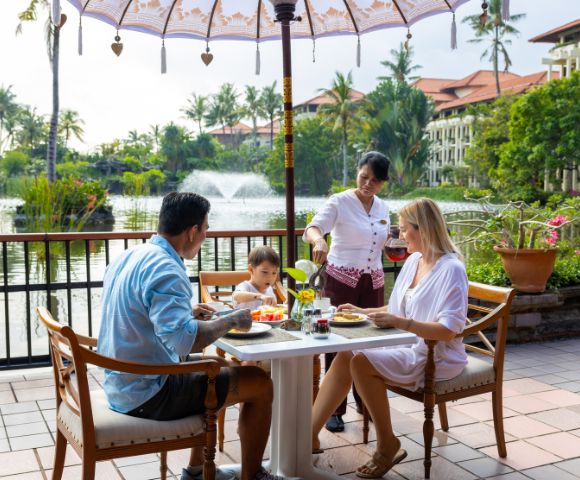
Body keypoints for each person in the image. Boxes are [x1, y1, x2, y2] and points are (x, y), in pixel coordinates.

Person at [98, 192, 296, 480]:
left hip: (121, 380)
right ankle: (252, 475)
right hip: (148, 392)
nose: (204, 236)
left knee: (220, 370)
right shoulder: (167, 268)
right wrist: (232, 319)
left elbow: (141, 310)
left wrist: (186, 312)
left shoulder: (133, 254)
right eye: (205, 230)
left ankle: (196, 471)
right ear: (192, 232)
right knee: (260, 384)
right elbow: (185, 341)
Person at [311, 198, 469, 478]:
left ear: (424, 230)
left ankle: (387, 444)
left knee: (360, 361)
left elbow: (449, 330)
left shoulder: (451, 270)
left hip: (434, 354)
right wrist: (363, 311)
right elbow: (397, 308)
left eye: (405, 229)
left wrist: (402, 323)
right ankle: (308, 435)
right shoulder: (415, 261)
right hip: (405, 342)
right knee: (348, 353)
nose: (398, 236)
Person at [303, 151, 391, 432]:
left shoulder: (383, 208)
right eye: (364, 177)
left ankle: (366, 401)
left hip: (374, 282)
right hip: (341, 281)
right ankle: (333, 409)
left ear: (383, 183)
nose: (368, 184)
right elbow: (313, 228)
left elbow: (384, 242)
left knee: (371, 342)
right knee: (338, 342)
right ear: (358, 173)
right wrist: (319, 241)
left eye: (375, 181)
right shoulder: (339, 202)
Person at [233, 245, 280, 310]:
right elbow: (236, 296)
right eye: (265, 272)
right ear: (251, 269)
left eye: (274, 273)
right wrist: (260, 296)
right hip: (243, 320)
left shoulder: (269, 290)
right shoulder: (246, 286)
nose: (270, 277)